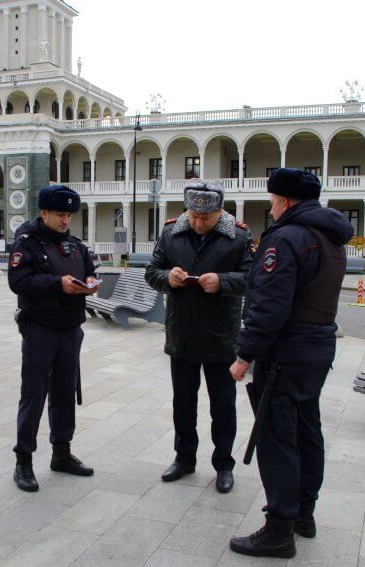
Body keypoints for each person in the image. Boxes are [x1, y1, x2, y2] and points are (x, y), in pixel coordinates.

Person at [228, 168, 353, 558]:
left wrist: (245, 354)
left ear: (282, 201)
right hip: (316, 348)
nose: (271, 206)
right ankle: (304, 514)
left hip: (285, 352)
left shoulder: (284, 239)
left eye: (272, 200)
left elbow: (269, 306)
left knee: (278, 437)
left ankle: (279, 529)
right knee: (306, 430)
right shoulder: (330, 237)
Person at [145, 179, 253, 493]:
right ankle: (184, 458)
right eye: (193, 215)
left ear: (221, 211)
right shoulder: (171, 233)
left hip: (220, 336)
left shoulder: (239, 237)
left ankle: (223, 465)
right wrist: (169, 278)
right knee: (183, 403)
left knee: (222, 406)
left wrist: (222, 281)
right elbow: (152, 271)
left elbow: (252, 278)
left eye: (206, 217)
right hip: (182, 333)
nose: (199, 221)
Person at [7, 184, 99, 492]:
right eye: (59, 214)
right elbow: (19, 281)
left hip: (70, 329)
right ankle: (24, 462)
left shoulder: (74, 244)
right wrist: (59, 284)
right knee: (34, 395)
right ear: (43, 212)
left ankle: (61, 452)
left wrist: (89, 282)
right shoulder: (27, 244)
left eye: (69, 215)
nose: (65, 221)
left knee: (64, 392)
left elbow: (89, 270)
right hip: (40, 329)